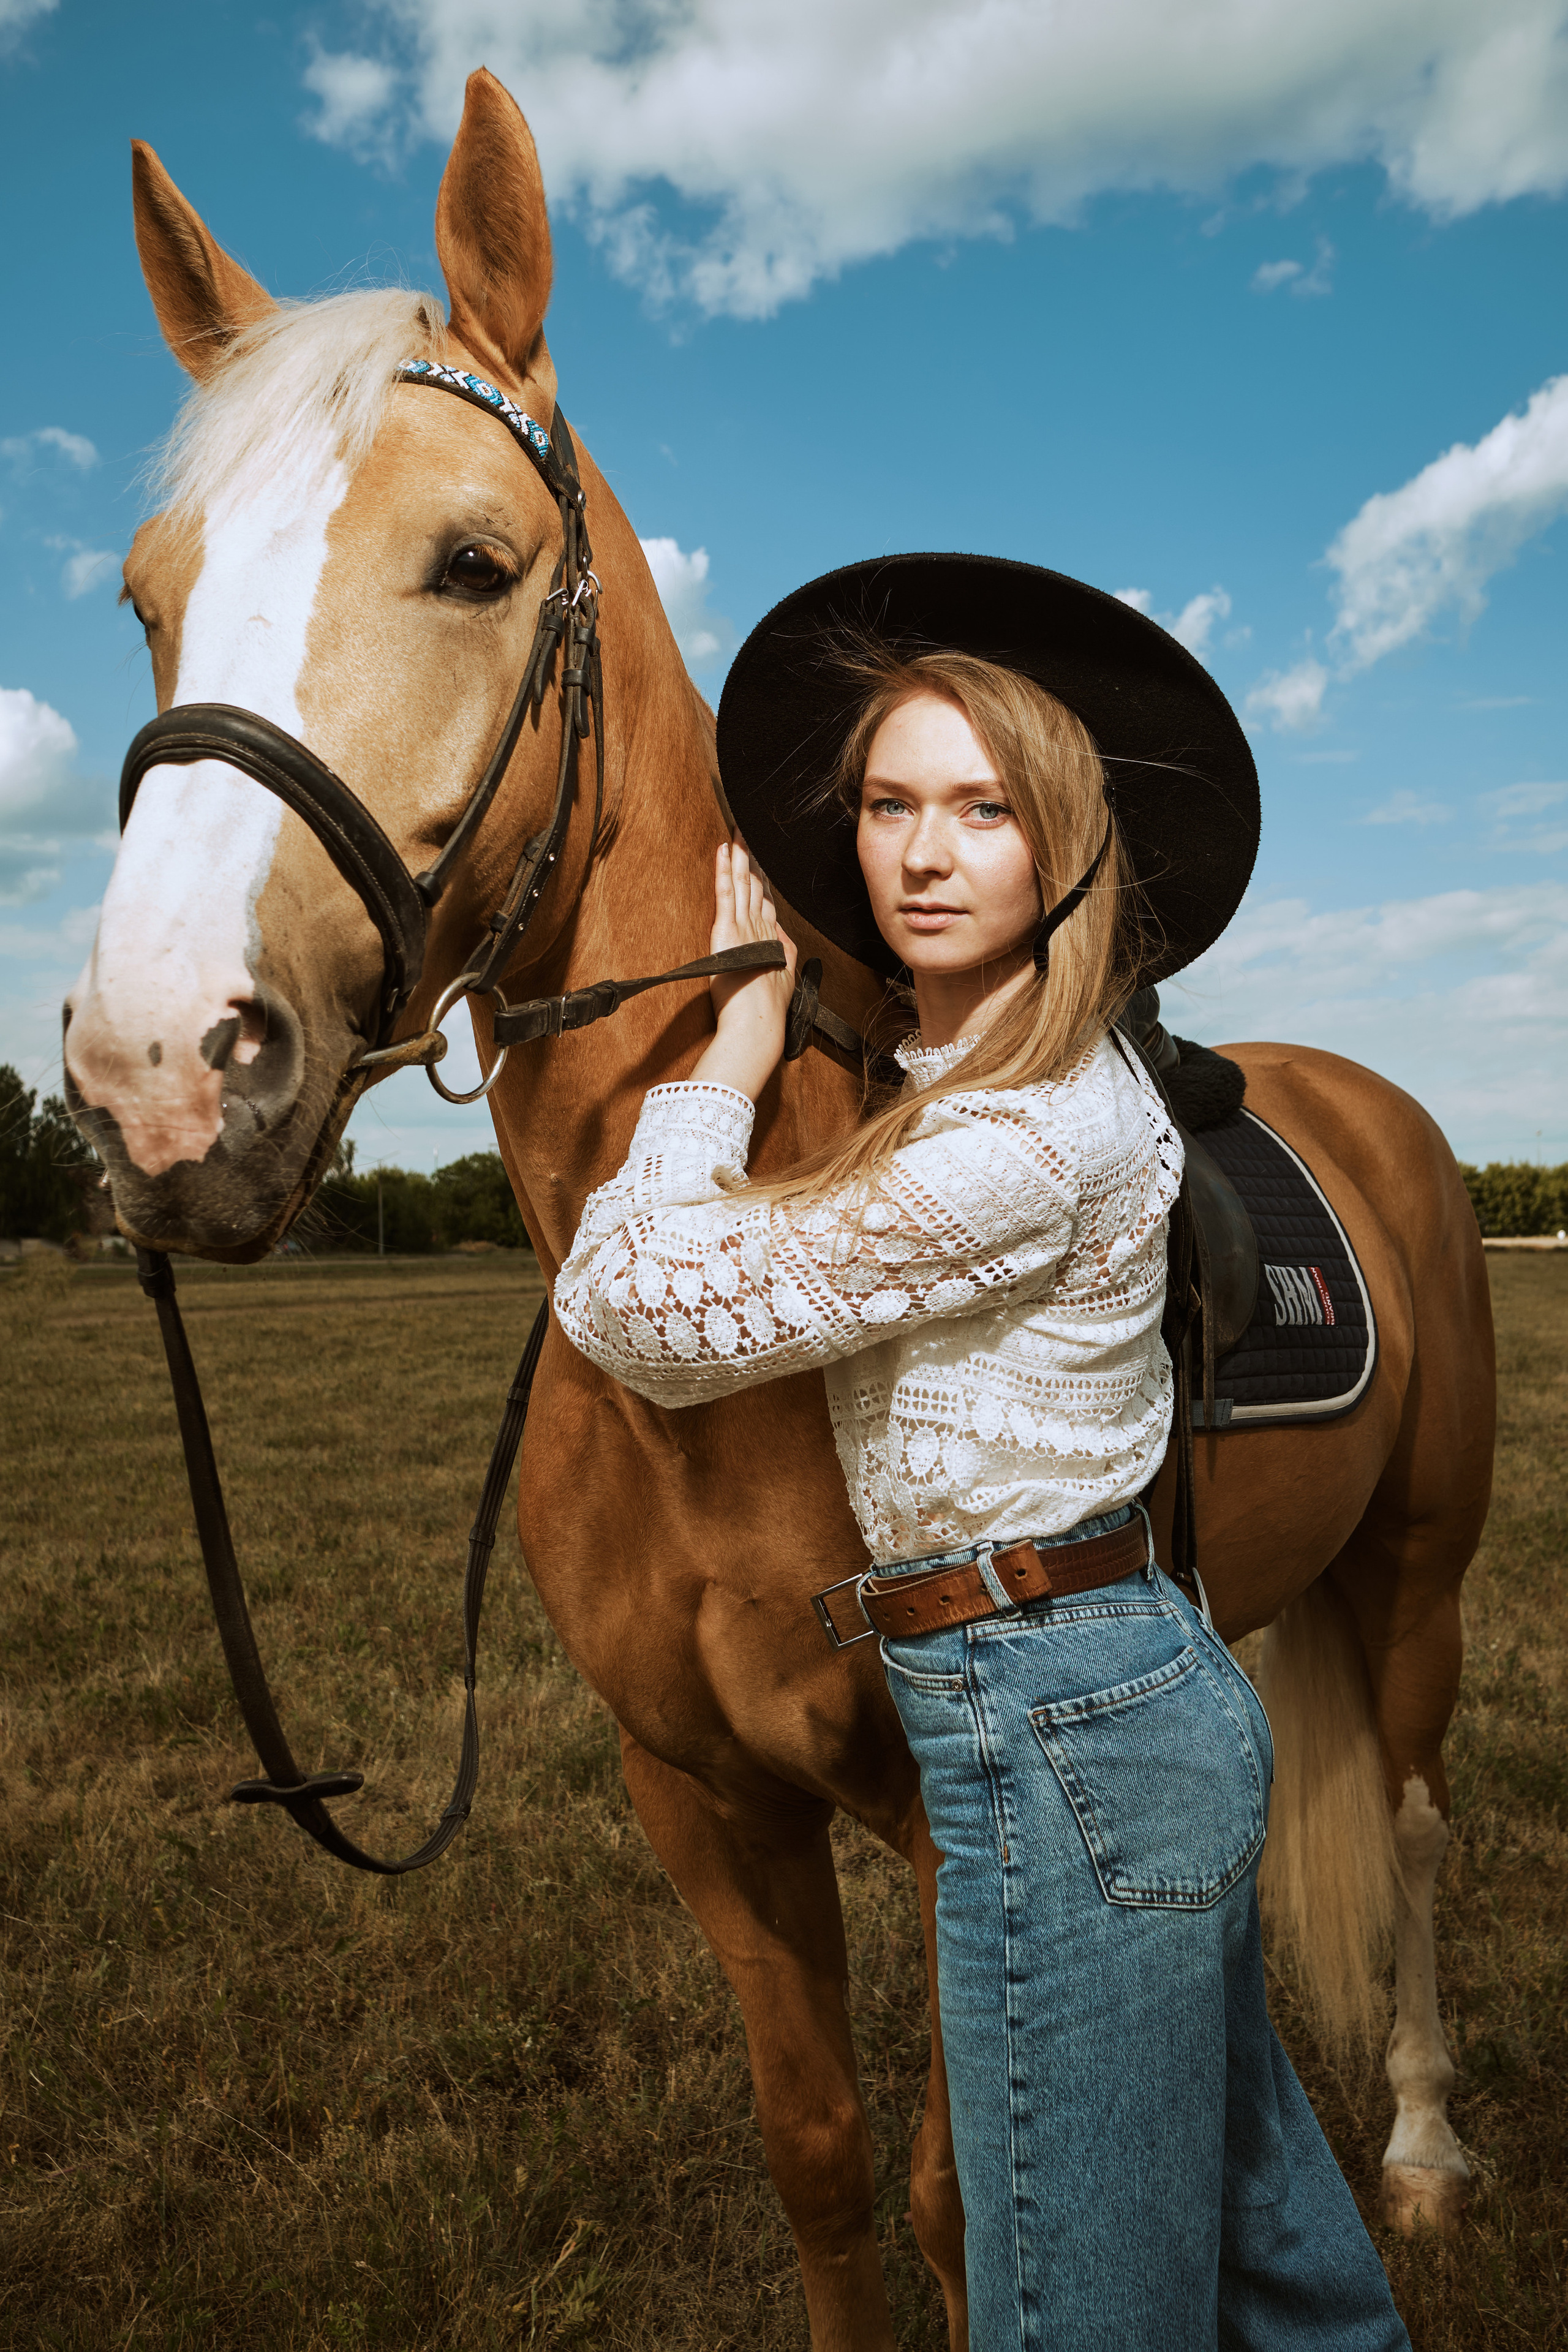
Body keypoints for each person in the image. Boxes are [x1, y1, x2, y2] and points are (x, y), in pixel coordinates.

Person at [554, 556, 1409, 2351]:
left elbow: (636, 1309)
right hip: (1118, 1710)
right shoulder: (977, 1089)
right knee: (1280, 2269)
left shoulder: (1018, 1140)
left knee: (1073, 2309)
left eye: (984, 810)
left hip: (1057, 1736)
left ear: (1070, 850)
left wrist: (724, 1060)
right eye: (887, 806)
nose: (925, 855)